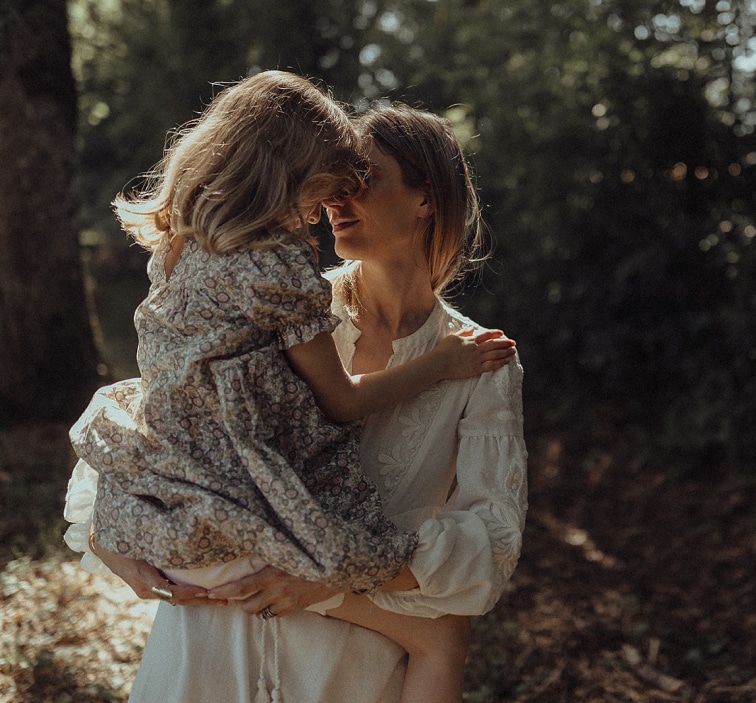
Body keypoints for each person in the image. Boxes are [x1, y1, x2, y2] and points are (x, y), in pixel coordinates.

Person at [65, 73, 515, 703]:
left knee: (442, 640)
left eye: (362, 183)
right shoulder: (270, 296)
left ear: (426, 200)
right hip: (209, 644)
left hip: (345, 669)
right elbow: (168, 416)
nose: (337, 201)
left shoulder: (480, 360)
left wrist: (334, 585)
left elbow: (491, 544)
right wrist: (110, 538)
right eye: (335, 183)